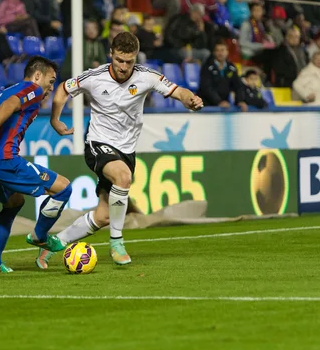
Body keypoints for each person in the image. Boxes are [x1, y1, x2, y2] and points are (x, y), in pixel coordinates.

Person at [35, 32, 203, 268]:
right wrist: (55, 119)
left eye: (129, 62)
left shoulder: (147, 76)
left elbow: (178, 91)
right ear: (110, 55)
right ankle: (117, 242)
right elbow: (63, 88)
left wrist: (191, 99)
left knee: (103, 215)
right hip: (97, 144)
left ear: (136, 58)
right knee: (124, 177)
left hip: (126, 150)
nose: (124, 67)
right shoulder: (95, 77)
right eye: (119, 61)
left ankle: (54, 244)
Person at [0, 56, 72, 274]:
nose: (50, 88)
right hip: (3, 160)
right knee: (63, 188)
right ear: (37, 75)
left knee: (14, 203)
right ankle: (40, 236)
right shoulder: (33, 90)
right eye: (50, 81)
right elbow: (10, 105)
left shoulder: (5, 91)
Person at [198, 40, 246, 110]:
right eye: (217, 50)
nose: (220, 53)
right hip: (207, 106)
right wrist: (219, 102)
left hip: (224, 105)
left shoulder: (231, 68)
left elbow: (238, 86)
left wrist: (240, 101)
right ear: (214, 53)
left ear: (227, 52)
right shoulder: (207, 67)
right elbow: (206, 88)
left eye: (222, 50)